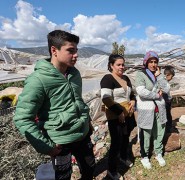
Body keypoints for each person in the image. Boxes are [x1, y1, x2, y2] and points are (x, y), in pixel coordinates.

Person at [13, 30, 96, 179]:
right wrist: (46, 147)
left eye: (76, 50)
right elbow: (22, 118)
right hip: (60, 142)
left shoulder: (75, 74)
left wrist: (87, 121)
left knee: (90, 168)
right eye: (71, 51)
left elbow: (78, 101)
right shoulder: (38, 80)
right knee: (63, 177)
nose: (76, 55)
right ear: (54, 50)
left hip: (82, 135)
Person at [100, 54, 136, 179]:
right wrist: (118, 112)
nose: (122, 67)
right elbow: (106, 98)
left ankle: (123, 157)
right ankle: (112, 170)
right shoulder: (108, 79)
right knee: (116, 142)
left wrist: (133, 101)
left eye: (123, 64)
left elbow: (132, 94)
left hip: (128, 114)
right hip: (116, 117)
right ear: (111, 65)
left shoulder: (126, 78)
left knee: (126, 137)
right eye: (118, 64)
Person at [135, 51, 169, 169]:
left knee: (159, 132)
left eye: (155, 62)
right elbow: (141, 91)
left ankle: (158, 152)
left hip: (159, 109)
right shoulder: (141, 74)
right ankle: (144, 156)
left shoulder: (159, 75)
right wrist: (156, 95)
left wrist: (160, 77)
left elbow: (167, 89)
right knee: (146, 133)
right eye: (151, 62)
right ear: (146, 62)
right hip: (146, 110)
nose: (153, 64)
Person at [162, 65, 175, 133]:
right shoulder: (163, 83)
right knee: (167, 116)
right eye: (171, 76)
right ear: (167, 75)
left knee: (168, 115)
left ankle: (168, 128)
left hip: (167, 101)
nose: (172, 78)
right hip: (165, 102)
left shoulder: (165, 82)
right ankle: (167, 129)